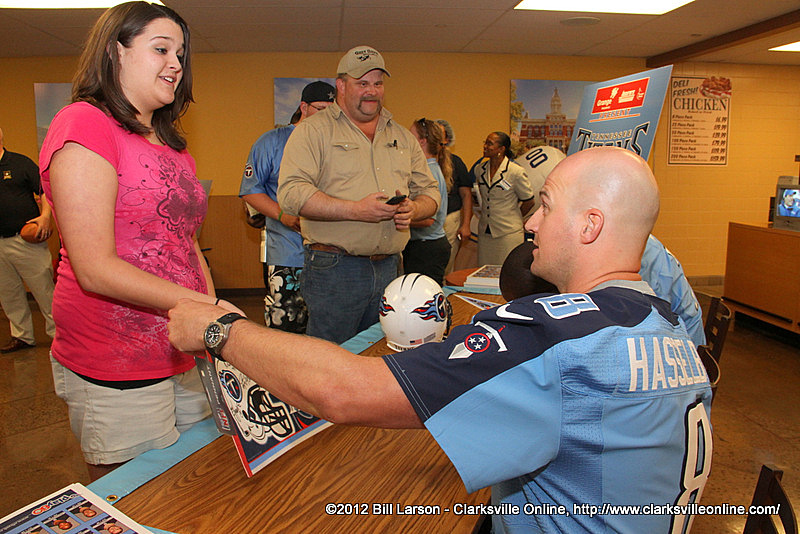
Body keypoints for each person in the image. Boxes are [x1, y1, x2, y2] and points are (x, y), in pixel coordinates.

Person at [169, 146, 712, 533]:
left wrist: (221, 331)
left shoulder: (559, 333)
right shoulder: (668, 326)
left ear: (590, 225)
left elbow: (344, 391)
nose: (531, 224)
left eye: (545, 205)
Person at [39, 1, 239, 480]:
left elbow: (187, 244)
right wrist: (207, 307)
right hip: (115, 353)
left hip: (184, 344)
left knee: (198, 480)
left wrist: (208, 316)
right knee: (138, 493)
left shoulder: (174, 146)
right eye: (161, 49)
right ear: (116, 52)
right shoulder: (85, 123)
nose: (176, 63)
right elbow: (95, 268)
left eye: (181, 54)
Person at [277, 45, 439, 344]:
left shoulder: (402, 136)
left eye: (377, 83)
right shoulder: (312, 131)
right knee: (331, 357)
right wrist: (356, 210)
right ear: (341, 85)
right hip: (335, 270)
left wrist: (414, 209)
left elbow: (430, 192)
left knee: (380, 353)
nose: (371, 91)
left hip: (391, 266)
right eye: (362, 83)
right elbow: (291, 194)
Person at [239, 81, 335, 333]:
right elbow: (250, 190)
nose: (327, 117)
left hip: (332, 258)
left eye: (333, 111)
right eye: (321, 109)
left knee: (327, 335)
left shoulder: (338, 146)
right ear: (304, 107)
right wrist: (283, 216)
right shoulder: (272, 142)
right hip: (288, 256)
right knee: (286, 332)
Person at [0, 127, 56, 353]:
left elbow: (45, 190)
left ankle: (60, 336)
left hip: (24, 241)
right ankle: (22, 336)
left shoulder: (20, 163)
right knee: (9, 293)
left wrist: (45, 217)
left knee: (44, 291)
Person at [474, 131, 535, 266]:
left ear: (501, 149)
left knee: (507, 270)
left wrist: (515, 218)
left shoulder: (515, 172)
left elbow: (529, 201)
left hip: (508, 233)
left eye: (490, 143)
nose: (485, 146)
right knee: (484, 270)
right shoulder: (480, 169)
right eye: (485, 142)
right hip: (485, 232)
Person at [402, 118, 451, 286]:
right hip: (425, 246)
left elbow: (429, 219)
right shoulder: (429, 168)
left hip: (427, 248)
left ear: (422, 142)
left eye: (411, 136)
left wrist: (396, 219)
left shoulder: (428, 171)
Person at [640, 233, 706, 347]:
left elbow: (656, 319)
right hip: (670, 329)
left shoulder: (644, 251)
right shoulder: (637, 240)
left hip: (685, 340)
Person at [435, 119, 473, 275]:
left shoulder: (456, 162)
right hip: (425, 221)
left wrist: (466, 225)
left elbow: (466, 195)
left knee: (446, 265)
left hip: (450, 218)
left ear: (446, 139)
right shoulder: (419, 161)